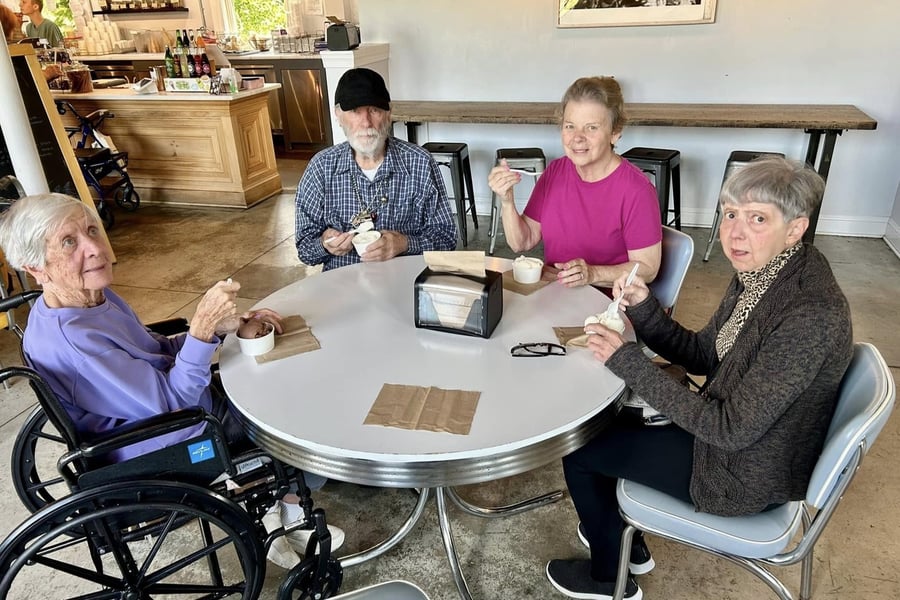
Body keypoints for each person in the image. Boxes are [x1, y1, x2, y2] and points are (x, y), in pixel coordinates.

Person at [546, 157, 853, 600]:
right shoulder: (764, 274)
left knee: (580, 448)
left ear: (795, 228)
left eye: (758, 219)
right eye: (730, 214)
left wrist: (626, 359)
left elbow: (729, 429)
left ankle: (606, 579)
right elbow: (707, 354)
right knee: (603, 422)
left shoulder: (809, 313)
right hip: (741, 443)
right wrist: (643, 306)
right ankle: (625, 546)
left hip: (743, 473)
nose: (736, 233)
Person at [0, 193, 341, 569]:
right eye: (69, 242)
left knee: (272, 371)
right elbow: (173, 403)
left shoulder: (94, 299)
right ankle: (286, 508)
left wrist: (219, 330)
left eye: (92, 230)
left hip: (171, 411)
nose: (95, 247)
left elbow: (155, 349)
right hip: (164, 437)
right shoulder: (77, 344)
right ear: (36, 268)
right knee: (293, 412)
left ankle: (277, 497)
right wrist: (200, 328)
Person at [488, 76, 662, 290]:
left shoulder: (637, 190)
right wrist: (507, 201)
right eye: (570, 126)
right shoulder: (555, 172)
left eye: (591, 128)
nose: (577, 137)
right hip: (555, 295)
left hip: (609, 308)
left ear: (615, 133)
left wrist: (592, 273)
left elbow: (648, 268)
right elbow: (522, 242)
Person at [295, 67, 457, 272]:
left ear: (388, 114)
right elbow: (304, 250)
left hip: (404, 283)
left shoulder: (419, 163)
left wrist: (405, 244)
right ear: (338, 115)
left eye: (374, 110)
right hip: (343, 288)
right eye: (355, 111)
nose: (366, 122)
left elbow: (447, 239)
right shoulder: (321, 168)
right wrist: (324, 245)